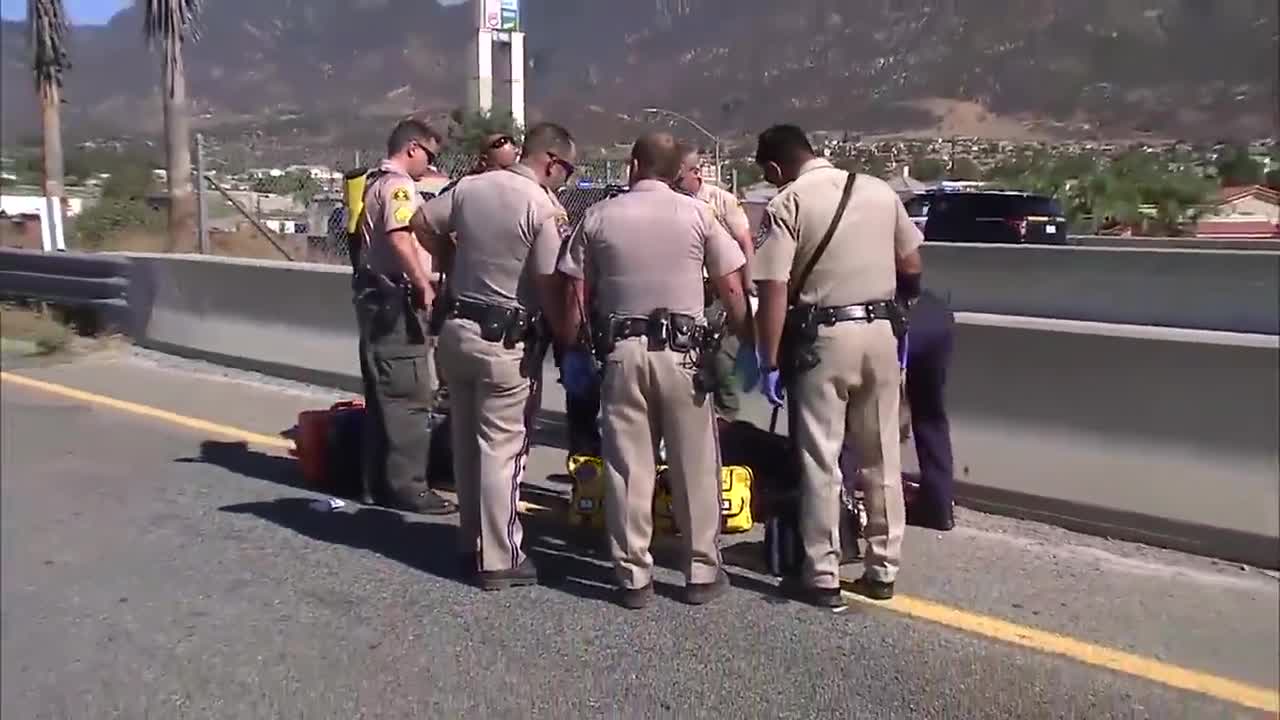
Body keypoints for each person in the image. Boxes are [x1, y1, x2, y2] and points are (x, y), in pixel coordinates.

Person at [556, 133, 753, 609]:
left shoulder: (599, 216)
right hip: (684, 356)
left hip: (622, 352)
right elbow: (731, 286)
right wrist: (745, 340)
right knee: (695, 465)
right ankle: (701, 571)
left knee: (628, 466)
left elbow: (575, 293)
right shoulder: (698, 214)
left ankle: (632, 577)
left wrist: (575, 347)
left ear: (635, 164)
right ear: (673, 169)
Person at [752, 124, 924, 606]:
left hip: (821, 340)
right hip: (881, 332)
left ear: (773, 167)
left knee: (820, 459)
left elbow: (774, 289)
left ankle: (823, 573)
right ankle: (883, 568)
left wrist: (768, 359)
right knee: (882, 455)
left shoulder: (787, 203)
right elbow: (912, 266)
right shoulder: (878, 190)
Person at [419, 122, 579, 590]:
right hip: (507, 341)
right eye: (566, 170)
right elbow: (551, 282)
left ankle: (471, 543)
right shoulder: (541, 206)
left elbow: (422, 223)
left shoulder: (470, 187)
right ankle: (500, 556)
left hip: (457, 330)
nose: (565, 179)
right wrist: (565, 341)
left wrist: (451, 263)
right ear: (551, 160)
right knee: (503, 451)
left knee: (468, 446)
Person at [351, 118, 457, 515]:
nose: (429, 165)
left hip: (375, 298)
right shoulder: (398, 186)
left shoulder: (374, 183)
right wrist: (424, 284)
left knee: (381, 397)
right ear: (411, 148)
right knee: (407, 395)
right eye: (428, 156)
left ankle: (375, 483)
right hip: (395, 300)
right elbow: (399, 237)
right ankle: (409, 487)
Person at [675, 147, 755, 422]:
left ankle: (726, 419)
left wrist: (748, 284)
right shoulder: (673, 202)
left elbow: (745, 241)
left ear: (695, 173)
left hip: (719, 292)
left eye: (679, 173)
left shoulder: (720, 201)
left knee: (722, 361)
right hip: (686, 291)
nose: (674, 179)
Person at [903, 289, 956, 532]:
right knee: (930, 413)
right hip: (932, 314)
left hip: (889, 315)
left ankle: (842, 515)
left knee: (854, 410)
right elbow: (912, 265)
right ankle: (938, 507)